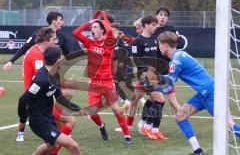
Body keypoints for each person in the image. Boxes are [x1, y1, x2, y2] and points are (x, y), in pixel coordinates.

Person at [151, 31, 240, 155]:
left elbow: (168, 86)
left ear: (165, 45)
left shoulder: (176, 61)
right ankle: (198, 151)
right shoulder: (179, 55)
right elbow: (169, 79)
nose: (158, 47)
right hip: (204, 94)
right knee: (180, 117)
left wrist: (151, 85)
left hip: (211, 94)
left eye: (159, 44)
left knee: (229, 126)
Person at [73, 11, 133, 144]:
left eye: (95, 27)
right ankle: (101, 126)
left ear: (102, 30)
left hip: (107, 82)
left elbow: (109, 30)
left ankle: (127, 135)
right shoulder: (89, 43)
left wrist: (104, 17)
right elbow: (76, 33)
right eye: (92, 28)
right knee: (93, 113)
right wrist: (89, 22)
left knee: (116, 109)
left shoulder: (109, 42)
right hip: (94, 83)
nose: (92, 29)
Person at [18, 47, 84, 155]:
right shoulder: (41, 80)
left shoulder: (54, 74)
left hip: (48, 118)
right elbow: (23, 100)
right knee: (73, 146)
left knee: (52, 147)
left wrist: (80, 109)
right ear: (58, 60)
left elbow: (60, 98)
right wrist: (22, 121)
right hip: (39, 121)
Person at [127, 15, 168, 140]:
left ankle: (153, 129)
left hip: (154, 76)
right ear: (146, 25)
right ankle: (146, 127)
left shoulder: (155, 40)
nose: (155, 27)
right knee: (159, 101)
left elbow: (159, 57)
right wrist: (146, 69)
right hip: (144, 77)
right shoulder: (137, 42)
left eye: (156, 25)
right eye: (153, 25)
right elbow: (135, 60)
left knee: (136, 100)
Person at [3, 11, 70, 72]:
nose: (63, 23)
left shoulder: (61, 37)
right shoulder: (39, 33)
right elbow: (24, 48)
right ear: (53, 21)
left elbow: (67, 55)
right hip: (39, 70)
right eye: (60, 20)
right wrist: (11, 61)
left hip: (54, 71)